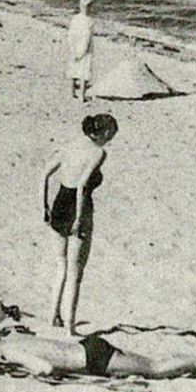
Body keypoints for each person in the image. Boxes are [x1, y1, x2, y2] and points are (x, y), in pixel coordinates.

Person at [42, 113, 118, 335]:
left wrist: (43, 206)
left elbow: (45, 174)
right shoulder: (98, 153)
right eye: (110, 136)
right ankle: (70, 327)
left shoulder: (71, 145)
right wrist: (78, 218)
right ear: (104, 133)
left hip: (58, 203)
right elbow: (83, 186)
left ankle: (52, 316)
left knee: (60, 264)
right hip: (78, 207)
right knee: (76, 271)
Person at [0, 329, 196, 380]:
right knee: (150, 364)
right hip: (87, 347)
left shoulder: (8, 350)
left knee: (155, 369)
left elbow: (45, 369)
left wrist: (20, 368)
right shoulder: (10, 335)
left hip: (93, 360)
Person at [66, 0, 96, 103]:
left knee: (73, 71)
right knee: (83, 73)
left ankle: (72, 93)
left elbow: (70, 34)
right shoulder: (90, 21)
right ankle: (81, 96)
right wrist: (82, 52)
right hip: (85, 50)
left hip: (74, 47)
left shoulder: (75, 19)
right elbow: (87, 38)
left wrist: (72, 48)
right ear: (89, 8)